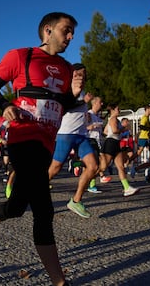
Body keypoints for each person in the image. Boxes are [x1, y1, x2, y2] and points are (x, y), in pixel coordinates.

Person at [0, 12, 80, 286]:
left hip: (46, 141)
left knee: (17, 206)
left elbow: (62, 105)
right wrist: (5, 105)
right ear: (48, 30)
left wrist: (75, 96)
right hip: (23, 137)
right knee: (44, 211)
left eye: (72, 33)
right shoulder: (21, 56)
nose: (70, 37)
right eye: (65, 30)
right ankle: (60, 282)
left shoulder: (67, 68)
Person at [47, 63, 98, 219]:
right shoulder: (66, 88)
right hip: (66, 133)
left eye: (83, 74)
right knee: (55, 168)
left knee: (93, 166)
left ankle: (76, 201)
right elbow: (64, 106)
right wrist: (84, 102)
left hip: (81, 135)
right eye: (78, 74)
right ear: (71, 74)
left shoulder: (82, 92)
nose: (80, 76)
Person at [99, 104, 139, 197]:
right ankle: (89, 180)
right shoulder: (113, 119)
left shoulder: (115, 119)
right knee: (104, 167)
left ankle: (127, 188)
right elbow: (114, 130)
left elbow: (105, 131)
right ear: (112, 110)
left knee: (120, 166)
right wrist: (123, 129)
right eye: (117, 109)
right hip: (111, 143)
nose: (119, 110)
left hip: (116, 143)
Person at [86, 96, 111, 190]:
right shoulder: (89, 114)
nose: (102, 104)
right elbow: (84, 127)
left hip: (99, 141)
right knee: (96, 164)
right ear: (95, 103)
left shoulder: (98, 116)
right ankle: (92, 184)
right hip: (91, 140)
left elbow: (102, 132)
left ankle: (91, 180)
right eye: (100, 102)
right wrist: (92, 126)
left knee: (103, 165)